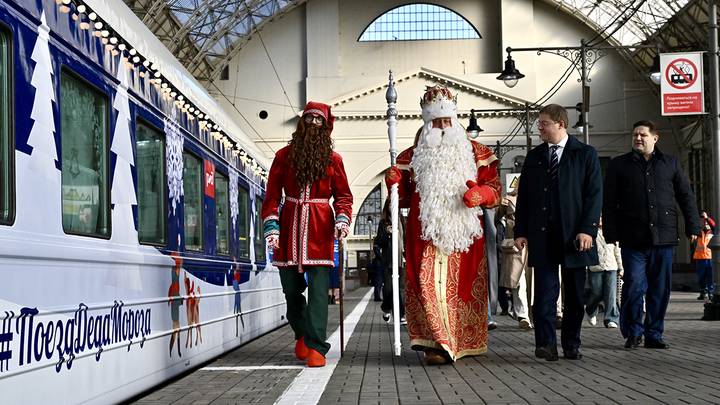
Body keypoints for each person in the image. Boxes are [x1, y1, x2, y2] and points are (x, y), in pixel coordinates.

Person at [385, 85, 501, 365]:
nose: (443, 126)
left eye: (447, 120)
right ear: (427, 123)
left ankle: (459, 341)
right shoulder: (409, 157)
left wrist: (482, 194)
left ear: (455, 120)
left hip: (465, 236)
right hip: (425, 235)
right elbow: (403, 200)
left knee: (460, 288)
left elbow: (495, 189)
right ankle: (437, 344)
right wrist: (394, 185)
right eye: (436, 121)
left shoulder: (479, 153)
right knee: (426, 286)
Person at [262, 101, 353, 367]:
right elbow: (271, 197)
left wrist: (342, 220)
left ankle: (316, 347)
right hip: (289, 228)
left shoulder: (334, 161)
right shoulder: (283, 156)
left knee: (318, 293)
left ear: (326, 127)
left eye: (319, 121)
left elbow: (343, 195)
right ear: (302, 123)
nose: (313, 125)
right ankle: (302, 333)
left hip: (320, 230)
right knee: (291, 290)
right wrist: (271, 226)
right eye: (309, 120)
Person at [514, 104, 602, 362]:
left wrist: (587, 230)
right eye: (539, 123)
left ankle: (571, 343)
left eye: (543, 123)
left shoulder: (584, 154)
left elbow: (594, 196)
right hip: (542, 236)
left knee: (575, 295)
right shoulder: (534, 157)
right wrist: (521, 231)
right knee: (544, 294)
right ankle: (546, 345)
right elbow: (525, 198)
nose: (539, 127)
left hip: (575, 238)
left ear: (561, 124)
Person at [603, 120, 701, 350]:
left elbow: (686, 197)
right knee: (635, 286)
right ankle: (633, 332)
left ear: (654, 138)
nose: (638, 138)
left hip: (664, 239)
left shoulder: (671, 164)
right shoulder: (619, 165)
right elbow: (608, 202)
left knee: (659, 289)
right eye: (635, 134)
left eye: (643, 135)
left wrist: (693, 227)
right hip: (632, 239)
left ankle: (654, 334)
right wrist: (610, 232)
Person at [498, 189, 533, 330]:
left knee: (532, 283)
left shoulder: (537, 195)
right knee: (518, 282)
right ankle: (522, 315)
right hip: (516, 246)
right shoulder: (508, 200)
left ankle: (531, 315)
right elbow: (497, 219)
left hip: (532, 245)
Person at [585, 217, 621, 328]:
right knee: (596, 292)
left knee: (610, 293)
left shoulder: (612, 232)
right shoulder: (591, 233)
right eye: (598, 217)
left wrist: (621, 267)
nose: (600, 220)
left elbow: (617, 251)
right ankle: (590, 310)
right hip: (595, 267)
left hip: (611, 266)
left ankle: (611, 318)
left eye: (602, 217)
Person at [374, 198, 406, 323]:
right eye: (390, 204)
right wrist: (387, 234)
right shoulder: (383, 223)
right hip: (388, 262)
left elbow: (406, 238)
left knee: (400, 289)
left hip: (401, 260)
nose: (392, 207)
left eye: (395, 204)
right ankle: (386, 308)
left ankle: (401, 315)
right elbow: (379, 242)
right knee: (389, 289)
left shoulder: (402, 220)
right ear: (387, 207)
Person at [693, 216, 714, 301]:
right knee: (701, 277)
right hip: (700, 258)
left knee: (710, 277)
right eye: (703, 222)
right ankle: (703, 292)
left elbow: (713, 225)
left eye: (706, 222)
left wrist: (707, 218)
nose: (705, 224)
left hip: (710, 258)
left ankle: (710, 293)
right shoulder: (698, 232)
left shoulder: (713, 232)